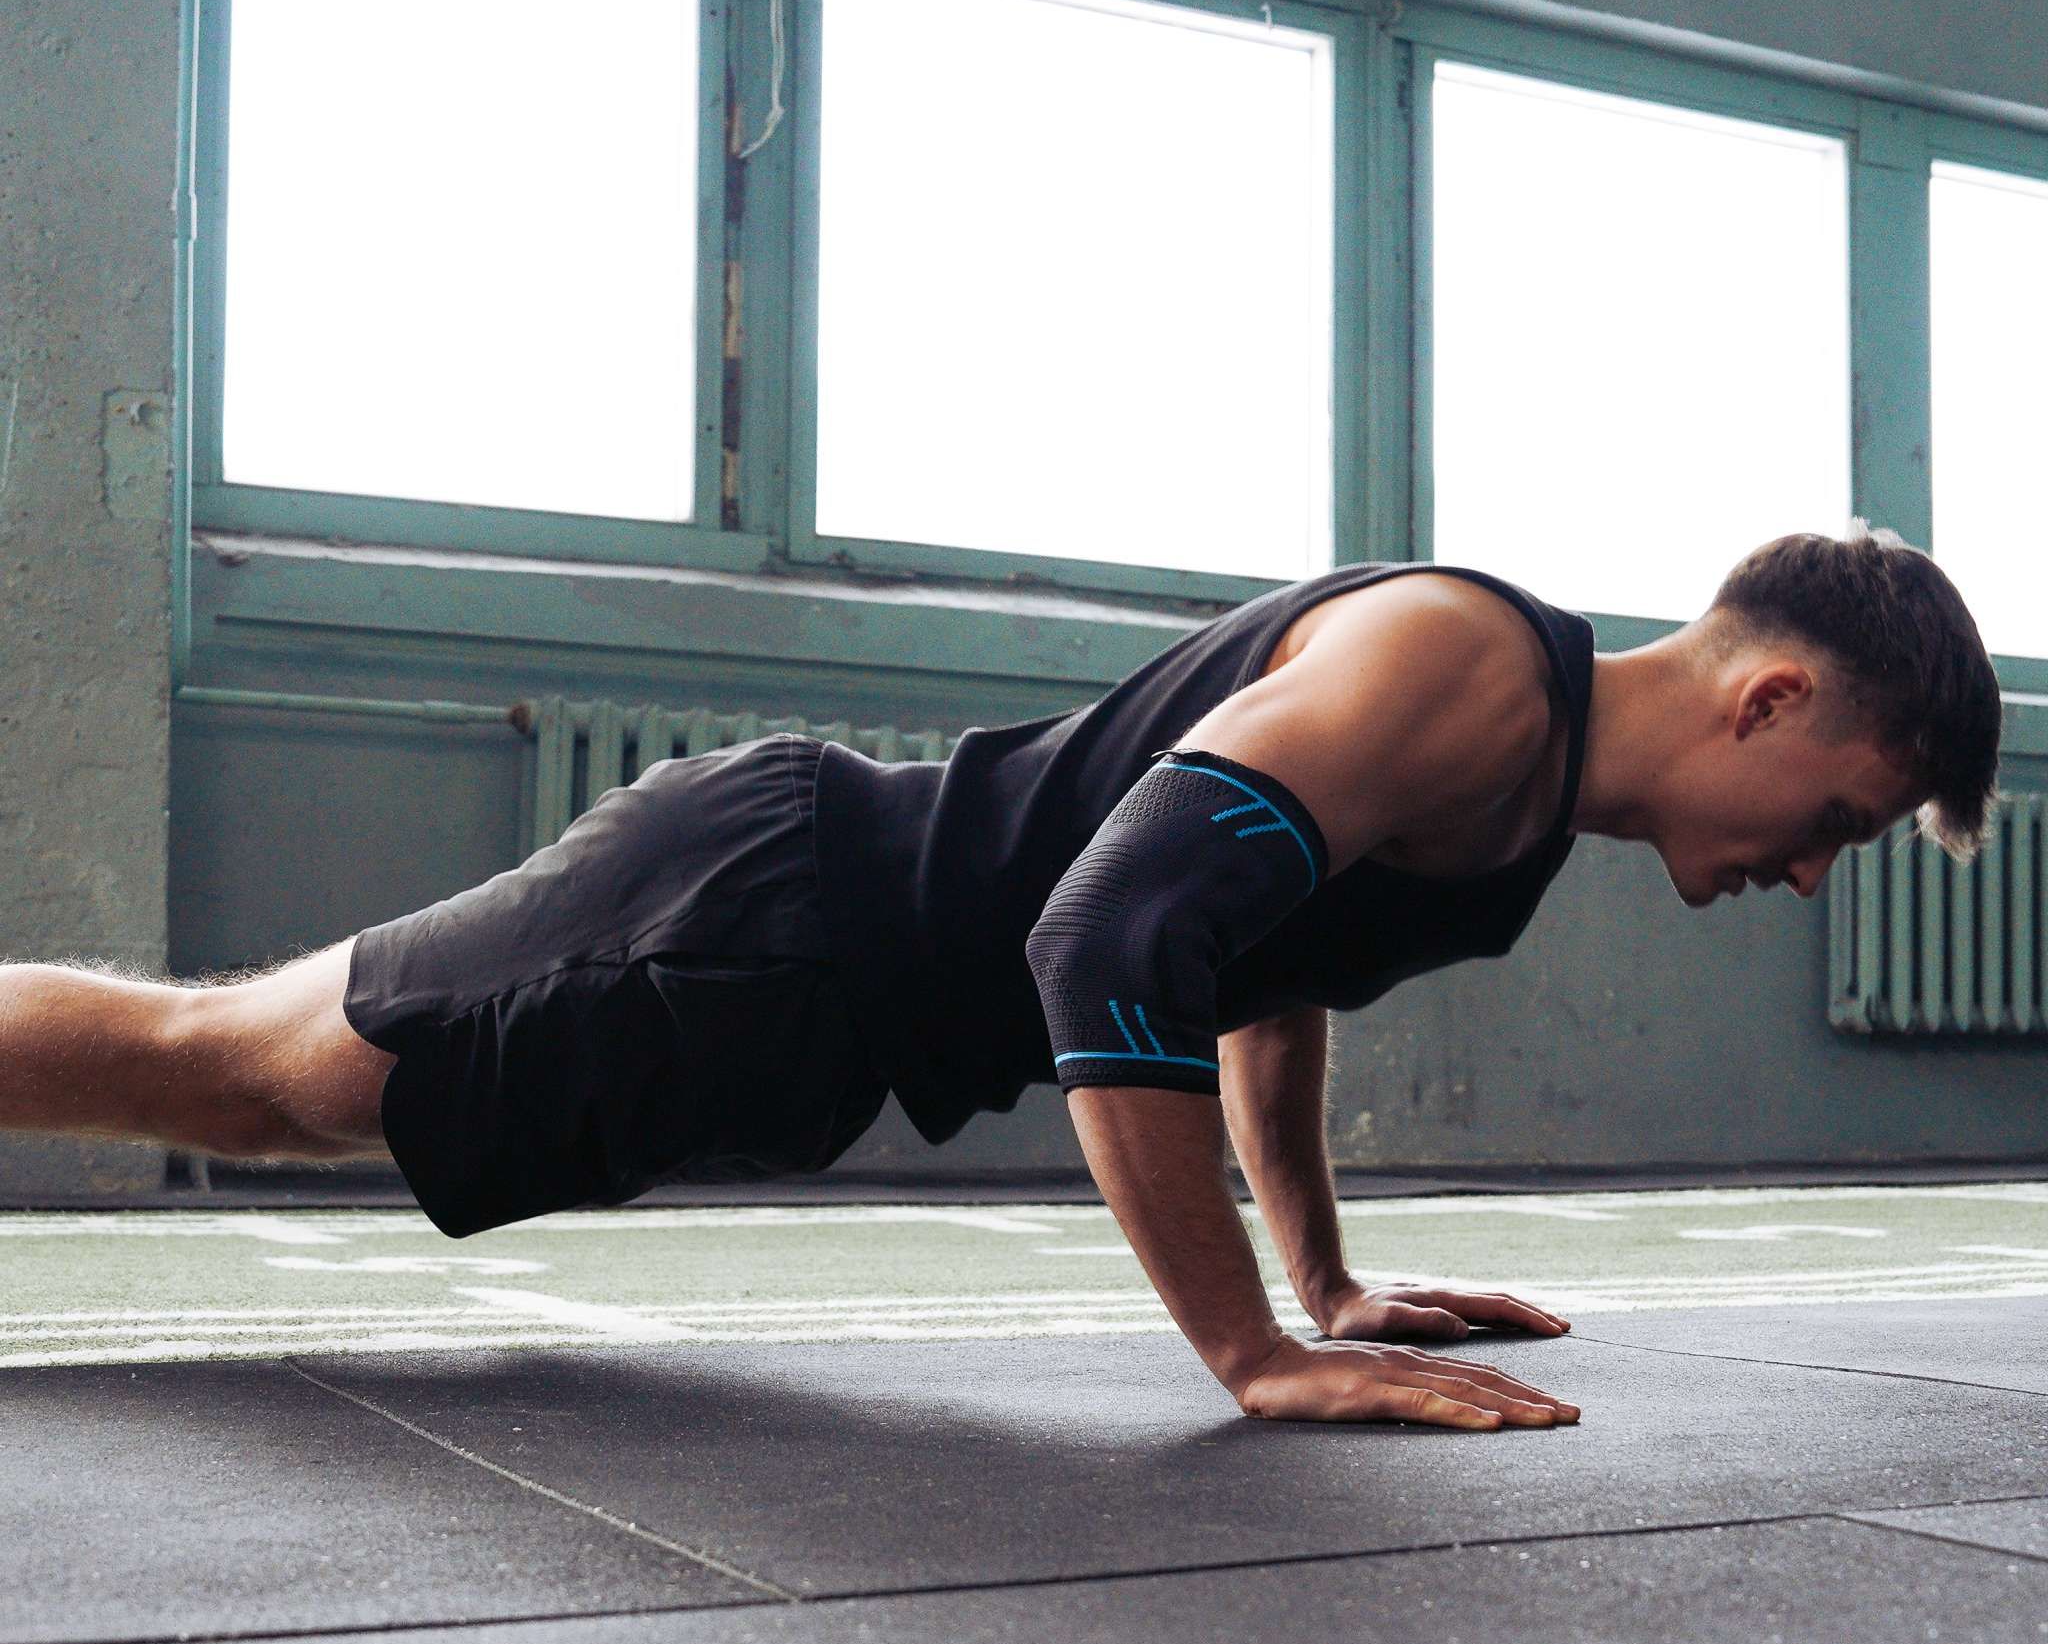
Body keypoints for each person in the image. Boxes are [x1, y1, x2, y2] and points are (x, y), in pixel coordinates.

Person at [0, 524, 2000, 1431]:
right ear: (1770, 697)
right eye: (1841, 814)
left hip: (807, 1004)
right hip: (767, 913)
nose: (1812, 871)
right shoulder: (1457, 666)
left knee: (255, 1089)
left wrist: (1322, 1278)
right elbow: (1110, 937)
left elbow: (1256, 971)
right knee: (230, 1074)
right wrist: (1251, 1353)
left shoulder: (1523, 797)